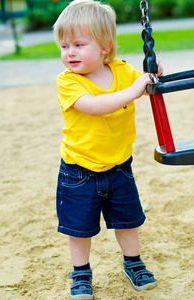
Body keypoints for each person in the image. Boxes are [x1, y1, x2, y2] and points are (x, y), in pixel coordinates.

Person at [53, 0, 163, 299]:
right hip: (78, 172)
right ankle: (81, 272)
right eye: (64, 46)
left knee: (127, 221)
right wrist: (133, 90)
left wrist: (152, 74)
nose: (69, 53)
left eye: (78, 44)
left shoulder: (122, 71)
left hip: (119, 168)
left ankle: (134, 263)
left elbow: (144, 82)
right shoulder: (68, 82)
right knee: (79, 229)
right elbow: (95, 107)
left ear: (104, 46)